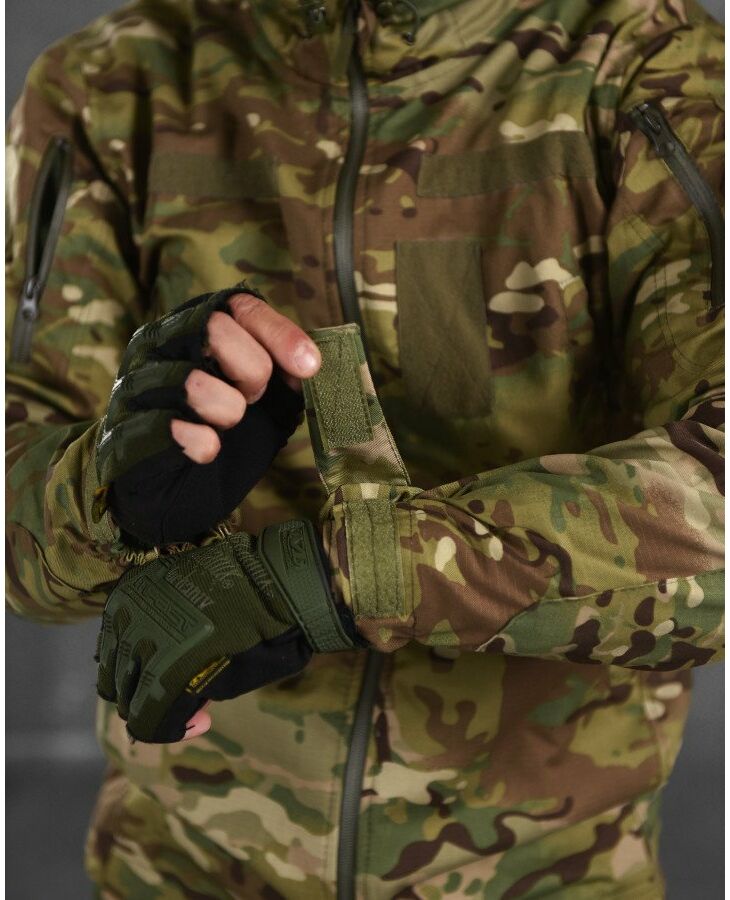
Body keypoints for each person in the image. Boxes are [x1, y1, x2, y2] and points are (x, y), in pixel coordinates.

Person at [5, 0, 724, 896]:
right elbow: (16, 505)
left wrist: (331, 579)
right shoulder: (110, 86)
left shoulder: (655, 69)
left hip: (543, 870)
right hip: (184, 864)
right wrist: (105, 490)